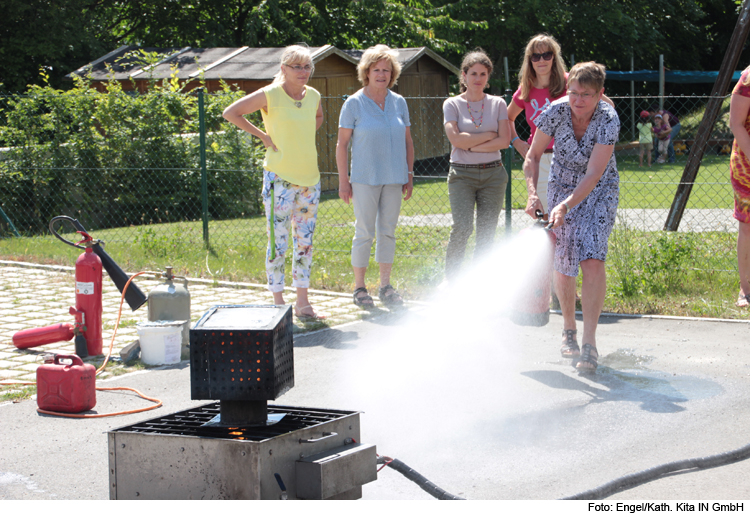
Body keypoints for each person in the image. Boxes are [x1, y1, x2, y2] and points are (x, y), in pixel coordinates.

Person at [524, 62, 620, 372]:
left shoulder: (608, 119)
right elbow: (533, 155)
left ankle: (589, 344)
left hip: (599, 190)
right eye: (573, 93)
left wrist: (566, 204)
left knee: (592, 257)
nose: (577, 101)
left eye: (586, 95)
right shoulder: (554, 111)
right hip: (560, 185)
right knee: (563, 261)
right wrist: (532, 193)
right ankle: (569, 329)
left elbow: (593, 173)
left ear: (599, 94)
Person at [222, 44, 326, 320]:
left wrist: (299, 134)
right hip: (279, 178)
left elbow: (318, 117)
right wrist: (264, 137)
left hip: (309, 179)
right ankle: (278, 301)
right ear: (283, 69)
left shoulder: (313, 95)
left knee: (305, 242)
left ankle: (303, 302)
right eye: (297, 67)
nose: (303, 72)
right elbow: (231, 112)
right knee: (278, 241)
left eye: (307, 67)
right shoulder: (271, 94)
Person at [336, 45, 414, 307]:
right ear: (366, 72)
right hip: (364, 178)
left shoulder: (399, 102)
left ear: (392, 74)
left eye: (386, 70)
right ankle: (359, 288)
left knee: (388, 232)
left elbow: (408, 141)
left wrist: (409, 173)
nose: (381, 74)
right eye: (376, 69)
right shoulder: (354, 103)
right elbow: (342, 145)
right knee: (364, 232)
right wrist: (343, 180)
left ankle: (385, 286)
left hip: (395, 178)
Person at [442, 50, 510, 279]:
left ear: (488, 77)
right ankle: (451, 281)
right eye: (473, 73)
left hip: (493, 175)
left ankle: (479, 283)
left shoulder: (498, 103)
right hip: (462, 175)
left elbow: (504, 140)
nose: (478, 79)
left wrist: (470, 145)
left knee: (486, 233)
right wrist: (489, 135)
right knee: (462, 228)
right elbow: (456, 140)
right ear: (464, 75)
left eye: (483, 74)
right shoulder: (452, 104)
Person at [508, 34, 568, 215]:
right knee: (544, 215)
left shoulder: (570, 82)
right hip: (539, 159)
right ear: (530, 61)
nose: (541, 60)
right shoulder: (526, 88)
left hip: (568, 158)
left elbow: (598, 101)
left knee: (569, 215)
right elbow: (507, 118)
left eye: (546, 55)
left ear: (554, 57)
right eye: (536, 56)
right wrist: (516, 142)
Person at [729, 67, 750, 308]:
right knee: (748, 225)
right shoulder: (748, 78)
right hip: (747, 163)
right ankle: (746, 289)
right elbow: (736, 124)